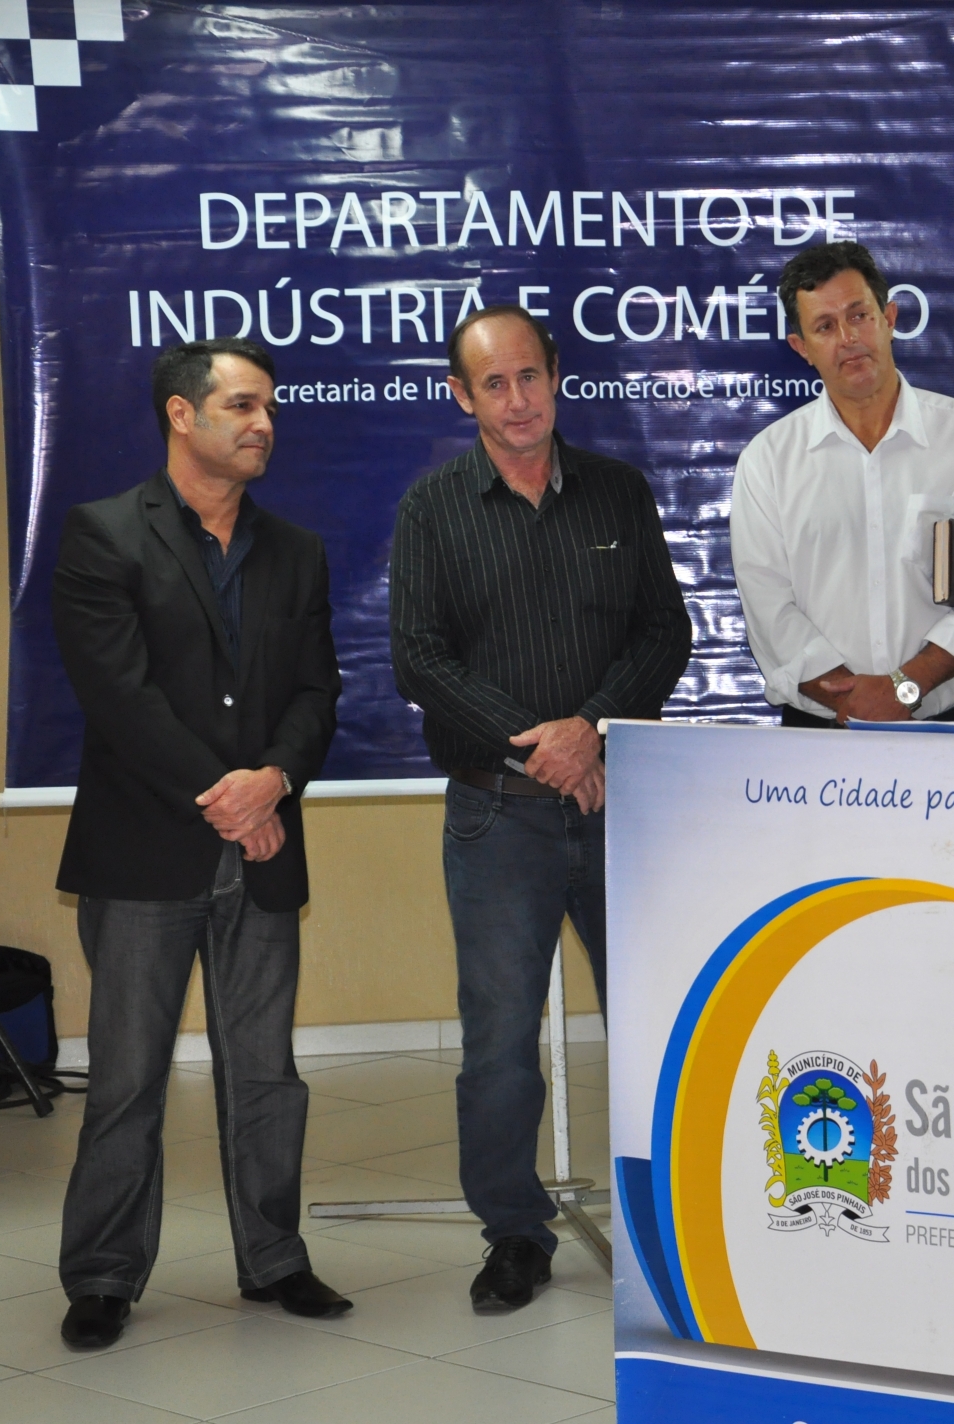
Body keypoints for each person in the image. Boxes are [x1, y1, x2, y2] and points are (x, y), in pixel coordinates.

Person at [390, 304, 692, 1311]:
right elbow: (418, 659)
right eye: (493, 384)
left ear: (556, 375)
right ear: (460, 395)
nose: (517, 400)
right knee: (500, 1039)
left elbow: (665, 633)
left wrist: (592, 727)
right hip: (496, 815)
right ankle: (514, 1232)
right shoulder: (433, 508)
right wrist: (545, 744)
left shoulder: (619, 490)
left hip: (623, 806)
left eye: (531, 376)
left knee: (656, 1024)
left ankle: (671, 1224)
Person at [51, 338, 349, 1348]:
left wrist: (273, 780)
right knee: (128, 1077)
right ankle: (101, 1273)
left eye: (268, 406)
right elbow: (118, 696)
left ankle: (274, 1257)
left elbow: (317, 690)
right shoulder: (102, 534)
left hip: (261, 854)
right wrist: (223, 794)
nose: (263, 422)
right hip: (144, 853)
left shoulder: (296, 550)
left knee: (265, 1073)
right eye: (241, 405)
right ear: (183, 416)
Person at [731, 241, 954, 726]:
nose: (848, 338)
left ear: (889, 318)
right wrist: (855, 701)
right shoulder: (767, 461)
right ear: (801, 348)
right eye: (825, 327)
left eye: (859, 315)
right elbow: (768, 605)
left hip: (946, 721)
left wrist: (906, 686)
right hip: (819, 734)